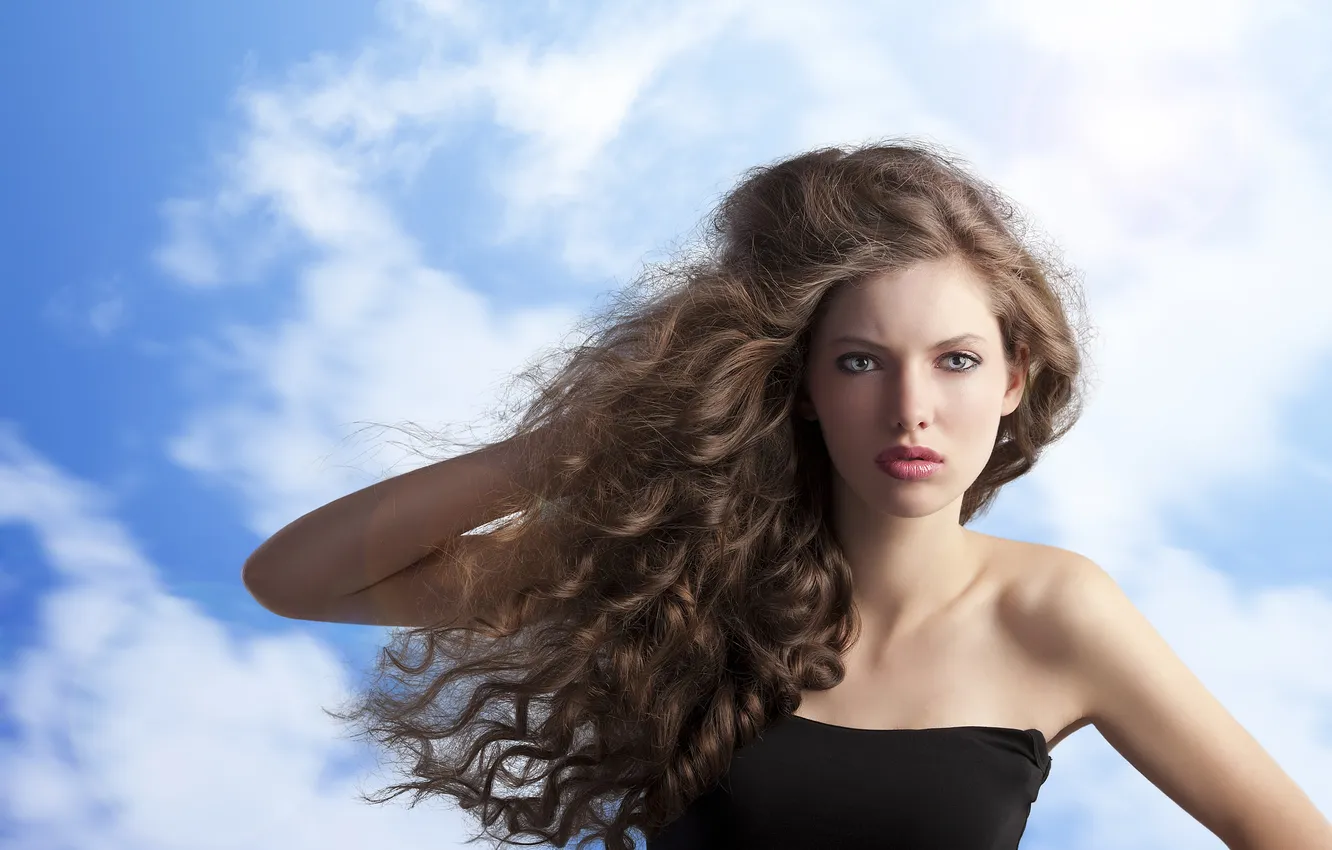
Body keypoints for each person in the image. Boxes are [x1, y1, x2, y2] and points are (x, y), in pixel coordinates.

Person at [242, 139, 1332, 850]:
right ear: (800, 385)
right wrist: (571, 444)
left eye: (954, 360)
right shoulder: (677, 575)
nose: (911, 409)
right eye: (861, 361)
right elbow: (294, 577)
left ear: (1014, 379)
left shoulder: (1056, 616)